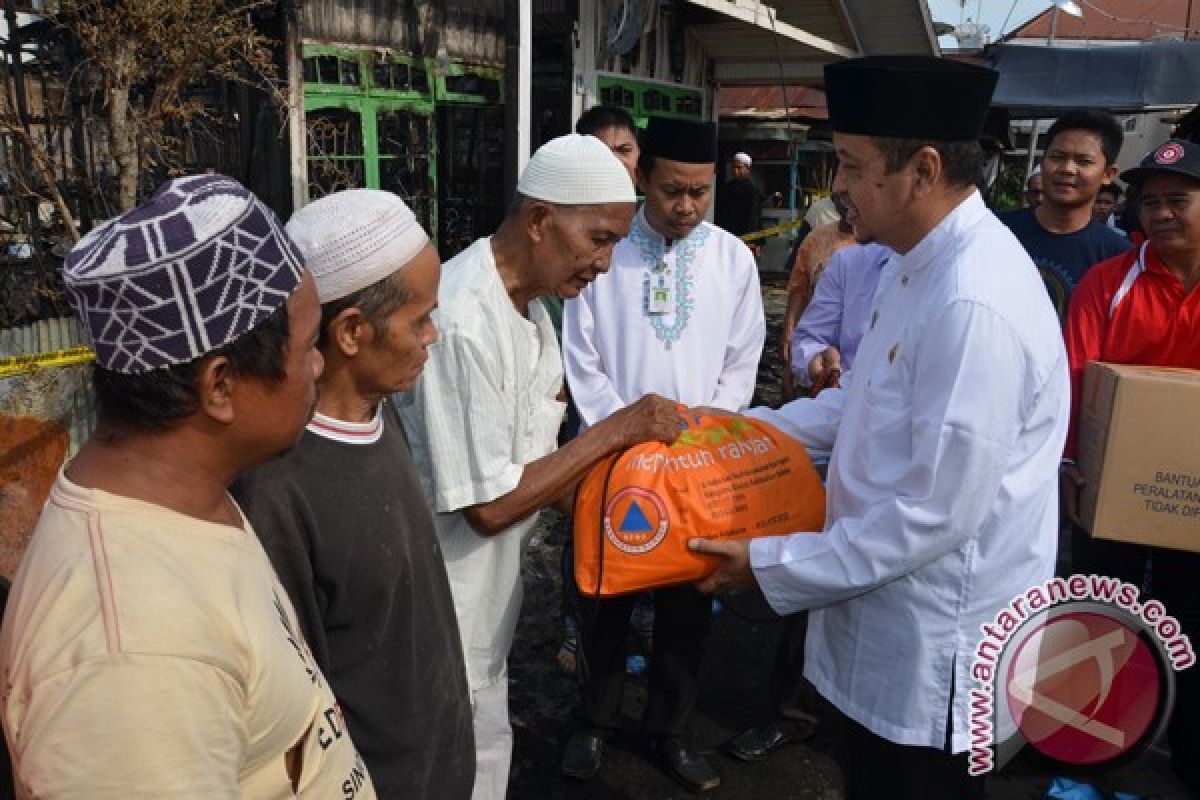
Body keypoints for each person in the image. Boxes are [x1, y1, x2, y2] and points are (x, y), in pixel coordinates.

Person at [691, 56, 1069, 799]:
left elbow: (936, 515)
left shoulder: (972, 302)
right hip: (888, 622)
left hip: (938, 652)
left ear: (922, 170)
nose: (835, 188)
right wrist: (733, 432)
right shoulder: (908, 265)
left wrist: (767, 567)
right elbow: (859, 403)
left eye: (851, 165)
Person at [0, 175, 376, 797]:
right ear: (220, 386)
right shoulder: (133, 653)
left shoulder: (190, 499)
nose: (319, 366)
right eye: (309, 345)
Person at [397, 133, 683, 800]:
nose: (606, 263)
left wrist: (666, 522)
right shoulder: (464, 319)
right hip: (444, 615)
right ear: (539, 221)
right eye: (599, 239)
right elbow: (491, 506)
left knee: (488, 764)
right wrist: (619, 429)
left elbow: (544, 476)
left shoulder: (531, 312)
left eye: (614, 243)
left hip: (490, 611)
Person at [232, 189, 474, 799]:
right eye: (419, 319)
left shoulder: (381, 412)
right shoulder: (277, 488)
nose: (433, 336)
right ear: (351, 332)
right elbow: (302, 698)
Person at [560, 116, 766, 792]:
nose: (686, 207)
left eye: (700, 193)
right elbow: (581, 353)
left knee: (687, 608)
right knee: (603, 597)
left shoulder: (733, 259)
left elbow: (742, 359)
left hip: (698, 467)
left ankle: (668, 733)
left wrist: (705, 436)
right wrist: (617, 433)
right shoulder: (607, 249)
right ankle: (591, 721)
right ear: (642, 176)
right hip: (614, 458)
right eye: (673, 190)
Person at [1060, 138, 1200, 798]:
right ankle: (1083, 758)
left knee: (1192, 631)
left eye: (1179, 200)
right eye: (1151, 204)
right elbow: (1074, 376)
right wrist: (1067, 464)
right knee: (1101, 625)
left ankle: (1187, 759)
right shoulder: (1108, 283)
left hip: (1193, 501)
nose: (1163, 214)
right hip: (1112, 494)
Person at [1000, 111, 1131, 321]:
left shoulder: (1120, 258)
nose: (1068, 169)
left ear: (1109, 174)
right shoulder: (996, 231)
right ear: (1042, 164)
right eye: (1057, 157)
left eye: (1084, 161)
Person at [779, 191, 858, 399]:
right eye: (841, 199)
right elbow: (799, 288)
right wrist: (789, 332)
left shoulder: (879, 246)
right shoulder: (816, 238)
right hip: (816, 345)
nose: (847, 205)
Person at [790, 241, 893, 393]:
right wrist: (816, 358)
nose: (852, 215)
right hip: (841, 402)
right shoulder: (848, 263)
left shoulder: (938, 276)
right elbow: (809, 339)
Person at [715, 151, 767, 242]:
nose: (735, 171)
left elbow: (753, 216)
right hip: (729, 235)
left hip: (746, 238)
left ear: (747, 169)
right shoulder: (728, 187)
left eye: (739, 168)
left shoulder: (752, 188)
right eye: (733, 167)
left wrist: (751, 240)